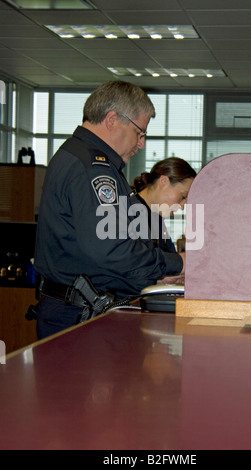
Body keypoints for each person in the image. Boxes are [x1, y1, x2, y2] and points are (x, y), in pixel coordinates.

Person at [34, 80, 186, 339]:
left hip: (77, 308)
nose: (141, 144)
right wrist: (175, 264)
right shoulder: (92, 169)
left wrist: (154, 278)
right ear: (112, 119)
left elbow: (99, 252)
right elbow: (111, 248)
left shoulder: (81, 158)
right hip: (78, 315)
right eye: (140, 132)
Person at [132, 157, 196, 255]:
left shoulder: (155, 218)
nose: (182, 207)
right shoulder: (127, 214)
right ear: (163, 181)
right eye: (183, 196)